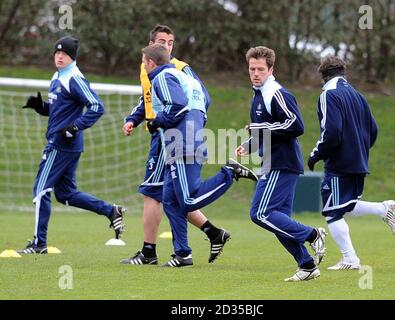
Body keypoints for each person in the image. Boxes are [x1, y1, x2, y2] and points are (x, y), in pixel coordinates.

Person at [120, 25, 229, 265]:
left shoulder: (178, 68)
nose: (166, 46)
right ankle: (210, 235)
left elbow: (199, 97)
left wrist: (192, 124)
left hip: (170, 133)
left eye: (170, 42)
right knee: (172, 195)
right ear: (151, 44)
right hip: (162, 129)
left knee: (153, 192)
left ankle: (150, 252)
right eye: (161, 42)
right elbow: (148, 99)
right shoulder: (148, 68)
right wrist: (133, 119)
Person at [142, 44, 258, 267]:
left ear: (150, 63)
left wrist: (157, 121)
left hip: (182, 143)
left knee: (188, 200)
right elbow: (205, 101)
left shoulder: (162, 77)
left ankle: (229, 173)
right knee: (170, 202)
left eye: (143, 62)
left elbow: (178, 106)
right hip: (186, 140)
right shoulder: (185, 77)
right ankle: (182, 254)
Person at [18, 36, 125, 254]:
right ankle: (111, 211)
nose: (59, 56)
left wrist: (75, 127)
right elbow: (60, 109)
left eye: (64, 53)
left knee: (40, 190)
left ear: (72, 57)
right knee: (66, 194)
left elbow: (96, 106)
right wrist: (41, 107)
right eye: (57, 53)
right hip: (67, 145)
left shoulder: (74, 78)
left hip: (61, 144)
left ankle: (39, 243)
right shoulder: (58, 76)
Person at [235, 46, 327, 282]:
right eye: (252, 69)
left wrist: (259, 129)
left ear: (271, 69)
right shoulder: (258, 94)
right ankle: (306, 265)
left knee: (261, 213)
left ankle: (313, 234)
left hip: (281, 163)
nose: (255, 73)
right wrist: (250, 144)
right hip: (272, 162)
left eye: (260, 69)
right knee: (278, 221)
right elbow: (267, 129)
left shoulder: (276, 93)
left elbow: (296, 125)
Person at [307, 55, 395, 270]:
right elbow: (373, 130)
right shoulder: (359, 96)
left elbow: (331, 132)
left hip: (339, 164)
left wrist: (315, 155)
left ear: (323, 76)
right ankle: (382, 209)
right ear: (343, 72)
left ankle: (350, 259)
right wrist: (359, 150)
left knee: (332, 212)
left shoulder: (328, 94)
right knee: (344, 205)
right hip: (358, 162)